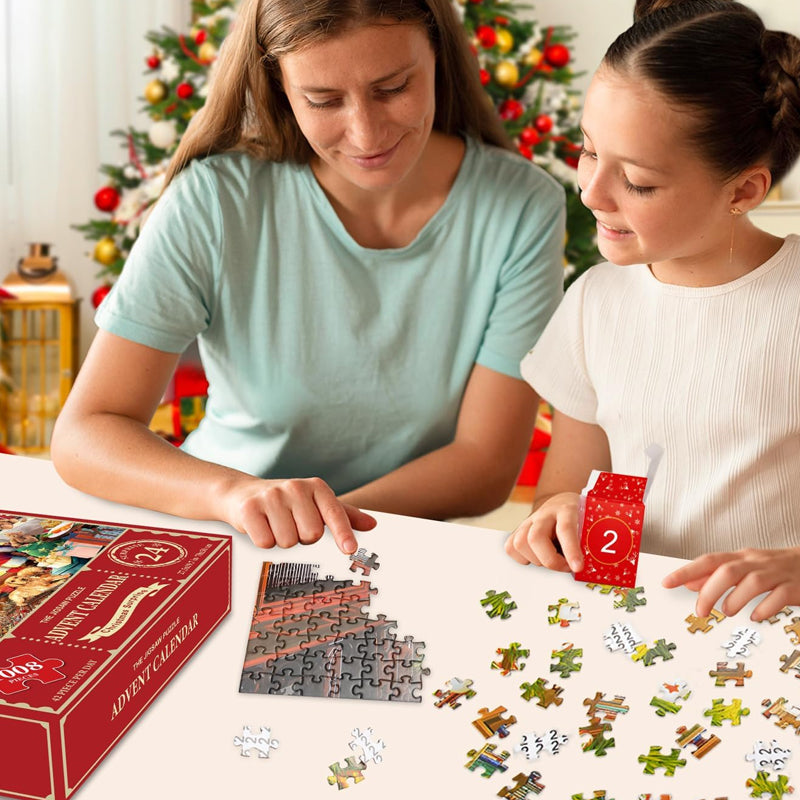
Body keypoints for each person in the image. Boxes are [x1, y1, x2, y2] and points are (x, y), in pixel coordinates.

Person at [51, 0, 566, 555]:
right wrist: (234, 495)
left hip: (387, 548)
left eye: (393, 88)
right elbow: (86, 433)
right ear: (279, 88)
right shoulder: (216, 201)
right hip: (227, 534)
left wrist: (326, 530)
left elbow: (485, 464)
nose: (366, 135)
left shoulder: (521, 206)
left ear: (439, 53)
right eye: (323, 100)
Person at [505, 0, 800, 622]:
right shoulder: (594, 301)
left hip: (769, 641)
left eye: (637, 181)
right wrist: (556, 515)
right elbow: (565, 487)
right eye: (588, 151)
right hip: (630, 632)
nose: (589, 190)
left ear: (744, 190)